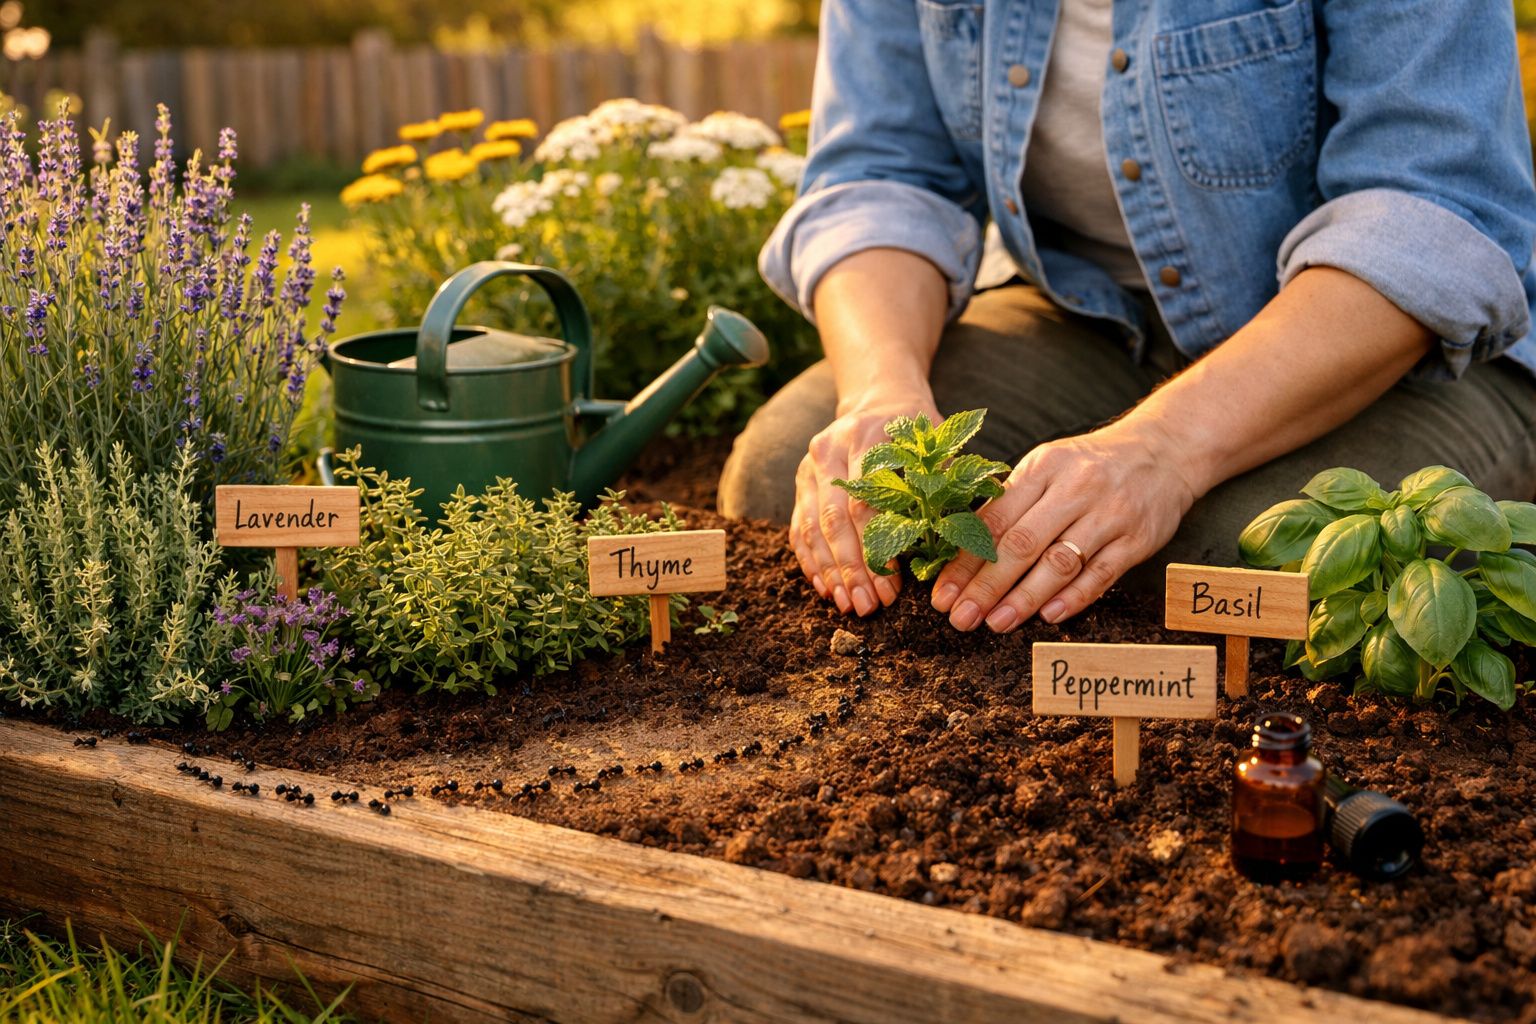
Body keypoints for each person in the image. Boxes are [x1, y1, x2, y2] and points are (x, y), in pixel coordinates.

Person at [718, 0, 1536, 632]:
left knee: (1227, 561)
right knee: (800, 476)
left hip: (1389, 343)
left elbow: (1432, 209)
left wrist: (1163, 450)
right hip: (1084, 307)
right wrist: (881, 392)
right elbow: (883, 173)